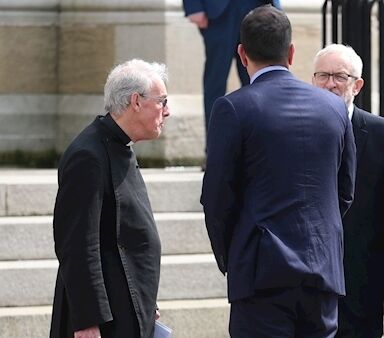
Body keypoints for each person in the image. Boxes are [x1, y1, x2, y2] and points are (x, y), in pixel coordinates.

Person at [200, 6, 356, 337]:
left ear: (241, 54)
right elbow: (345, 191)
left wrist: (235, 256)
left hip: (260, 274)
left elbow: (216, 198)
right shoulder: (333, 107)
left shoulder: (232, 107)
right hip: (322, 269)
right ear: (291, 52)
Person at [50, 59, 170, 338]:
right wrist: (87, 322)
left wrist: (146, 301)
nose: (168, 111)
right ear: (136, 101)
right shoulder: (87, 155)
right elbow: (78, 245)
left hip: (129, 302)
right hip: (104, 319)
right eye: (162, 101)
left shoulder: (120, 145)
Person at [312, 44, 384, 338]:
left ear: (357, 85)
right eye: (323, 76)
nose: (330, 83)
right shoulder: (295, 130)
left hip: (361, 287)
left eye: (340, 77)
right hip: (307, 284)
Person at [182, 0, 281, 157]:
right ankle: (215, 153)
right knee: (215, 85)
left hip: (259, 8)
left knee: (259, 83)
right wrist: (193, 6)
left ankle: (259, 150)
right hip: (219, 13)